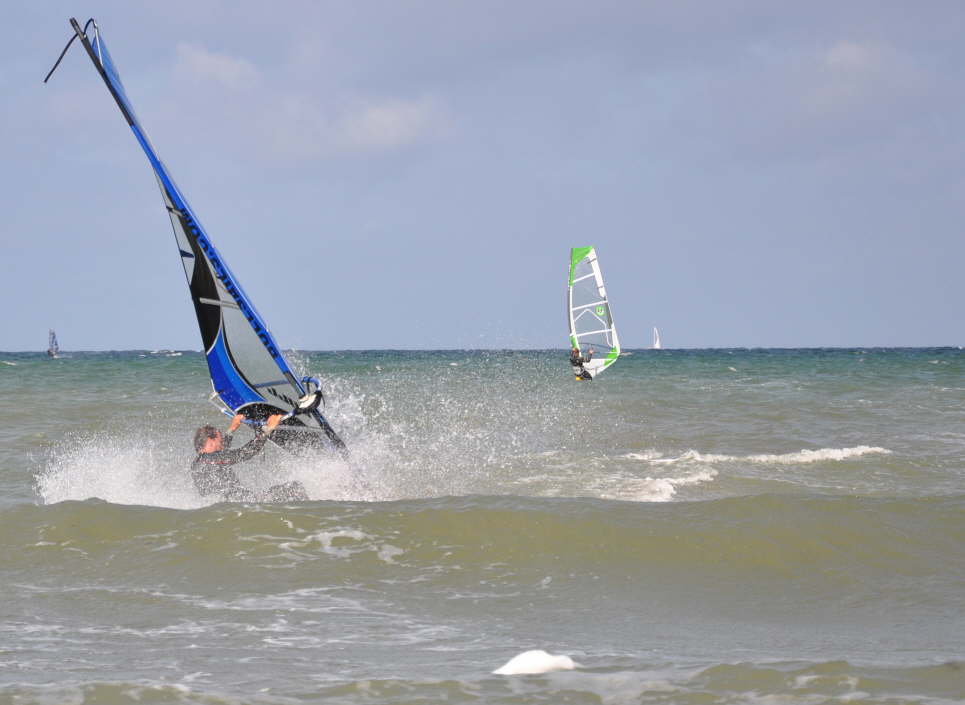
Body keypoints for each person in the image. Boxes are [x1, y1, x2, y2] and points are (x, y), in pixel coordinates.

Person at [191, 413, 307, 502]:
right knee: (295, 488)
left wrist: (232, 429)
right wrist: (268, 429)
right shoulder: (212, 459)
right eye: (220, 440)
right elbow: (245, 453)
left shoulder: (200, 462)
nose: (222, 444)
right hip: (243, 503)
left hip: (231, 506)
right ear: (211, 441)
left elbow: (222, 452)